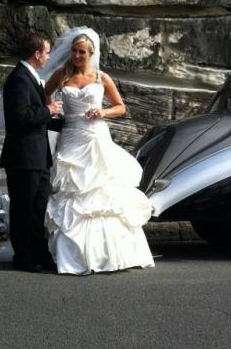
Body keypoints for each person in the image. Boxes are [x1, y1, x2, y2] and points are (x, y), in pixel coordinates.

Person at [42, 28, 154, 275]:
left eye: (82, 52)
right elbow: (42, 95)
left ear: (91, 54)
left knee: (103, 193)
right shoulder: (61, 75)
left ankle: (110, 256)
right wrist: (51, 108)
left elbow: (120, 107)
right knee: (73, 191)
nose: (77, 56)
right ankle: (71, 257)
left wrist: (102, 112)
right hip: (71, 137)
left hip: (96, 137)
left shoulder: (101, 77)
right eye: (74, 51)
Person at [0, 31, 62, 273]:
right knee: (24, 210)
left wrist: (65, 121)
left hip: (37, 156)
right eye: (46, 52)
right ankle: (23, 258)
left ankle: (40, 254)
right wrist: (49, 109)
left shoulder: (30, 77)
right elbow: (21, 117)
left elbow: (39, 118)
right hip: (23, 158)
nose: (48, 57)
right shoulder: (19, 79)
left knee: (38, 209)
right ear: (37, 54)